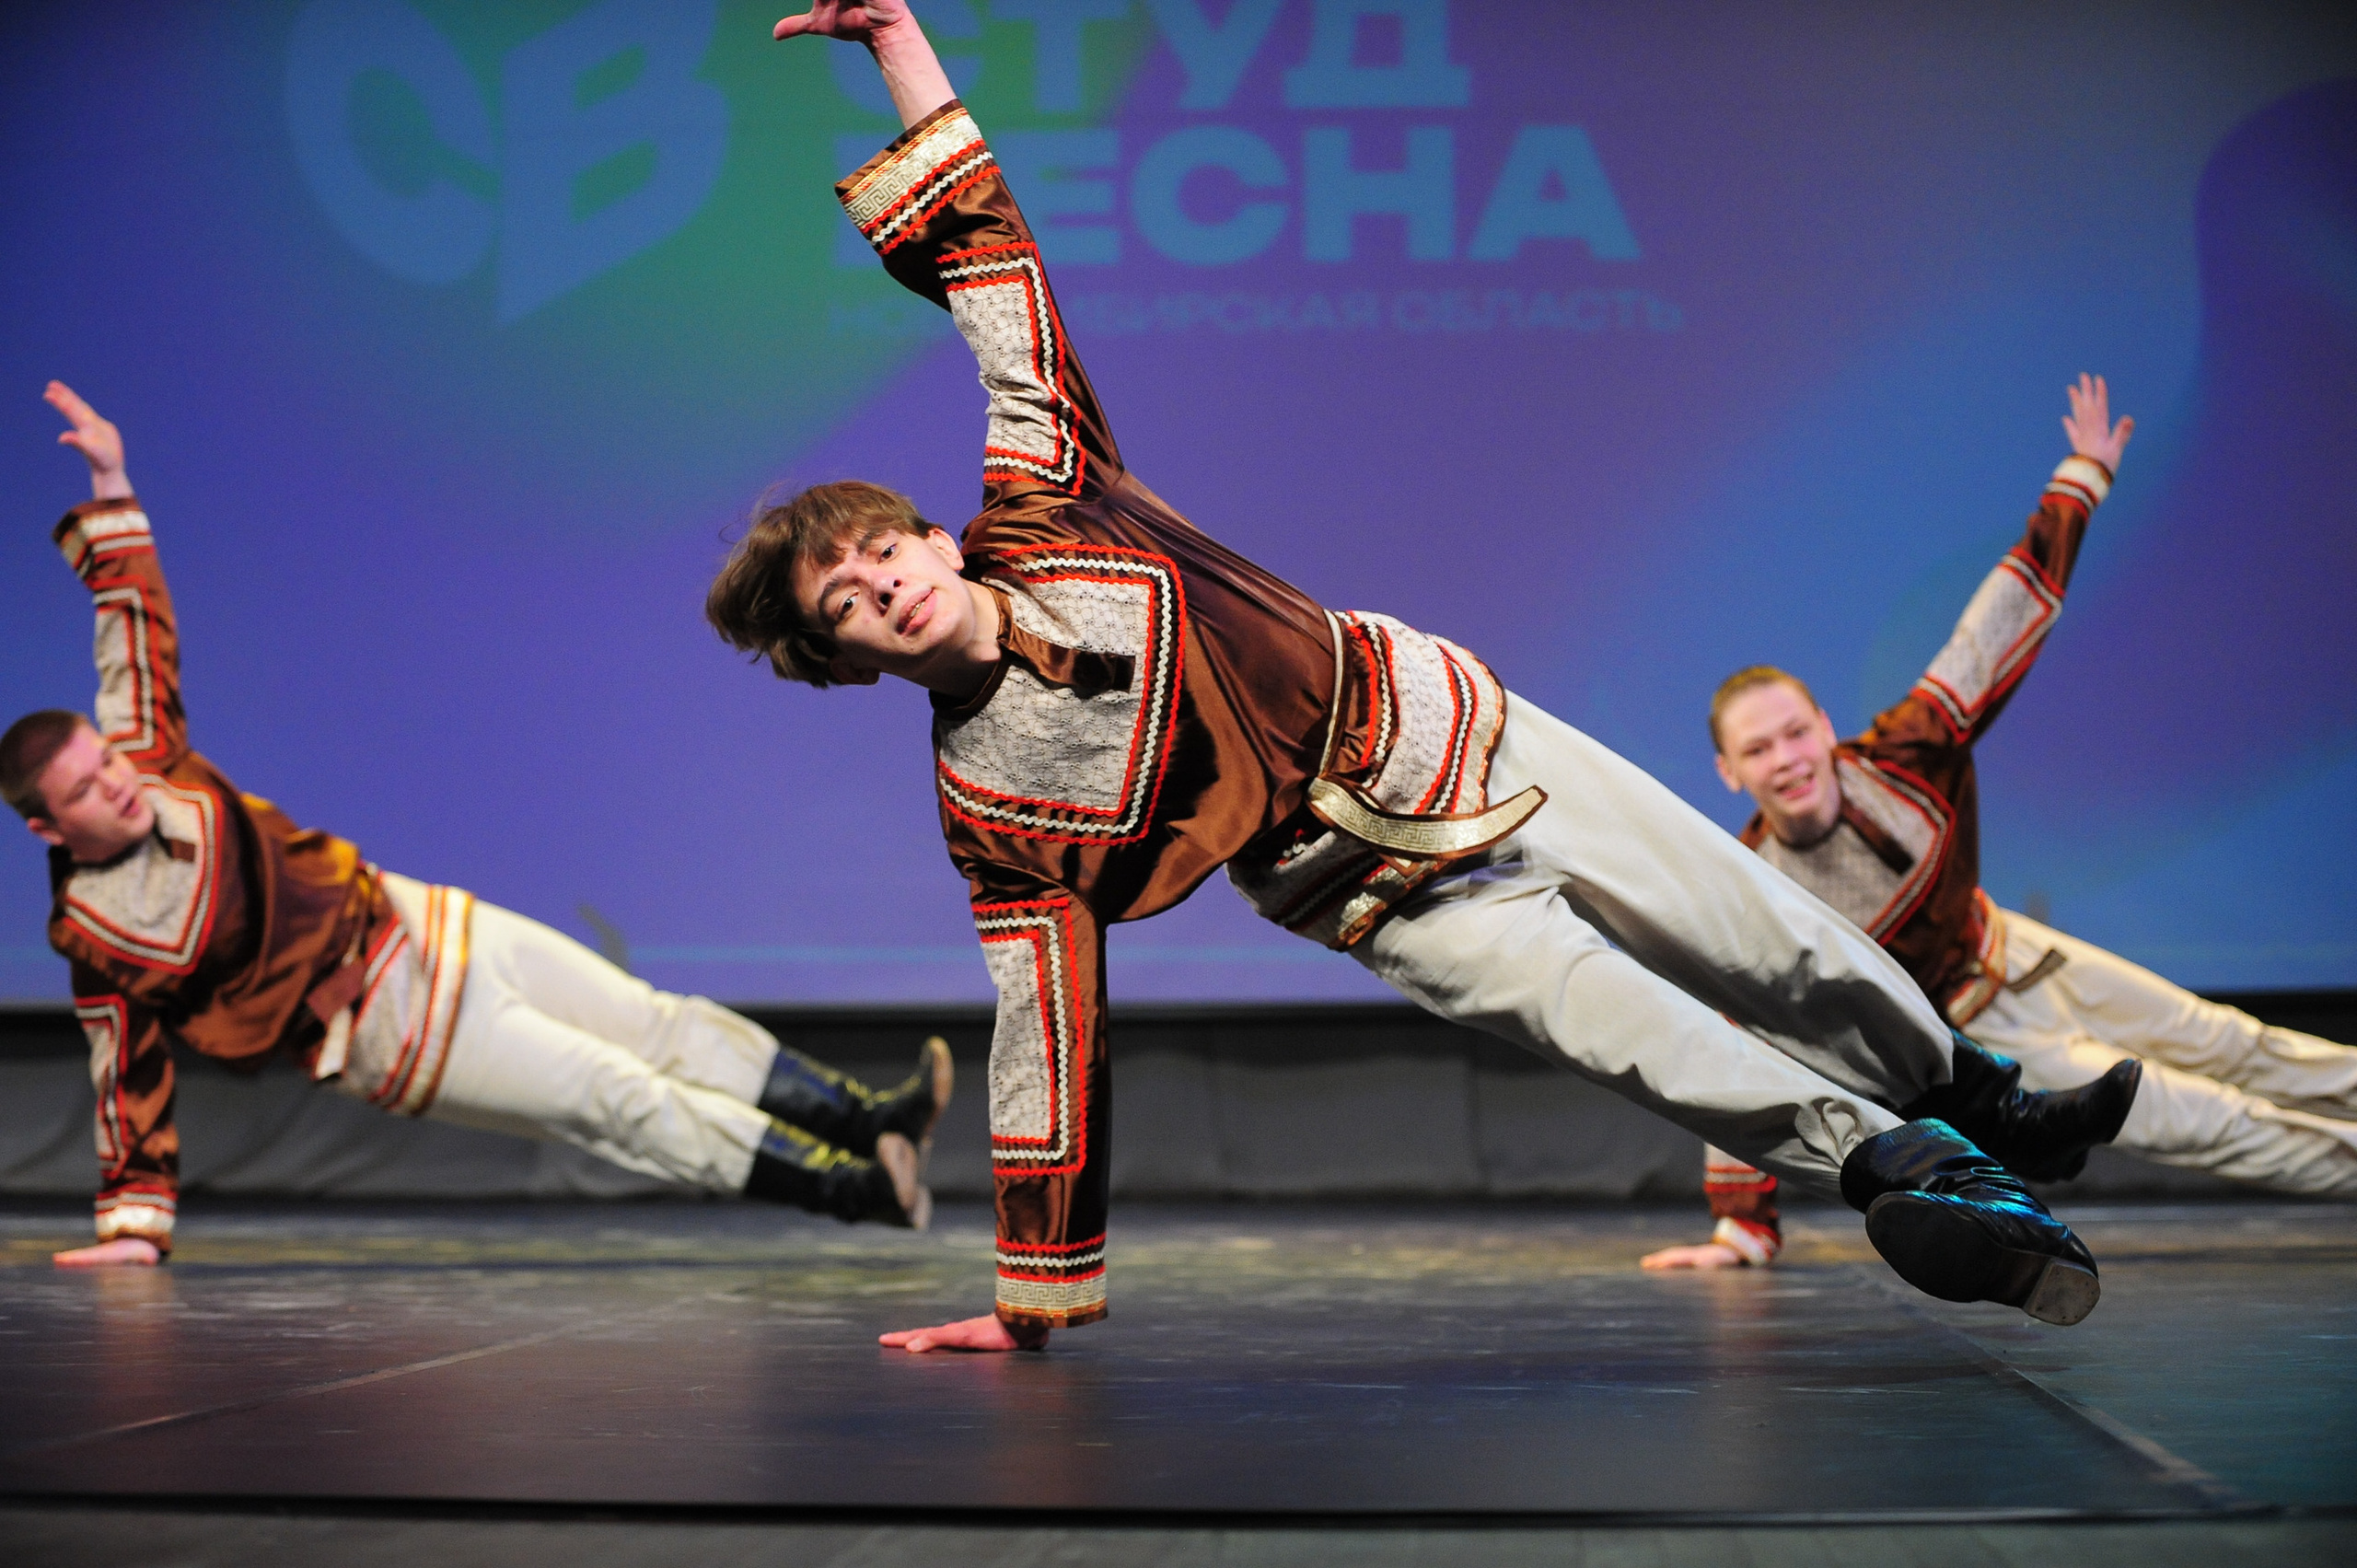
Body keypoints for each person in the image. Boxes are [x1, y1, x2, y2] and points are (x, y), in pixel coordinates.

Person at [711, 1, 2138, 1348]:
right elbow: (1046, 1036)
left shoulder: (1045, 492)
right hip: (1380, 896)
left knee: (1766, 937)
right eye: (843, 604)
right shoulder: (990, 805)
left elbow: (988, 261)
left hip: (1466, 736)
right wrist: (1032, 1295)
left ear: (923, 537)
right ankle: (1917, 1173)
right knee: (1644, 1039)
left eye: (877, 552)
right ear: (841, 658)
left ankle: (1978, 1098)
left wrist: (898, 37)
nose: (878, 587)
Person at [7, 382, 951, 1267]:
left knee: (651, 1019)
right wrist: (136, 1220)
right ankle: (853, 1189)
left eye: (105, 759)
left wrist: (109, 480)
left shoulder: (146, 751)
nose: (119, 784)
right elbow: (122, 1070)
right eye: (87, 790)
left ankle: (866, 1117)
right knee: (617, 1098)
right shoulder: (99, 937)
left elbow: (133, 625)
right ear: (52, 831)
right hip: (383, 1027)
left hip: (412, 920)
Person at [1644, 378, 2357, 1272]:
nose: (1785, 756)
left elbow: (1997, 624)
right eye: (1759, 749)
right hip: (1988, 1054)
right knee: (2212, 1120)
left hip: (2016, 951)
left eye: (1795, 731)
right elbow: (1735, 1042)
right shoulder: (1756, 895)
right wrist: (1743, 1223)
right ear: (1730, 771)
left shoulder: (1906, 755)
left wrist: (2080, 479)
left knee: (2230, 1039)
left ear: (1825, 727)